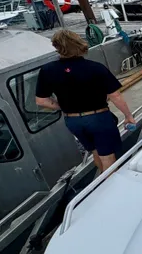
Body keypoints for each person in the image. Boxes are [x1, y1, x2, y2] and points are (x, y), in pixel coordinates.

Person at [35, 29, 136, 172]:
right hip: (99, 119)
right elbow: (115, 96)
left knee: (95, 152)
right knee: (107, 157)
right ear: (79, 44)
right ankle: (111, 188)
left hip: (73, 121)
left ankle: (102, 182)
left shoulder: (47, 70)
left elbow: (41, 100)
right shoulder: (95, 68)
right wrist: (128, 116)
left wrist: (64, 107)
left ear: (56, 46)